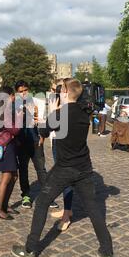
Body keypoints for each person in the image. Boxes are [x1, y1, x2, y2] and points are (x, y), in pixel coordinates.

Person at [12, 78, 115, 257]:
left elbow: (43, 130)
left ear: (66, 93)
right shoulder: (85, 112)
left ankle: (30, 250)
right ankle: (107, 253)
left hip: (65, 168)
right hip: (84, 167)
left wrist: (52, 110)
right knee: (94, 208)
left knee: (42, 202)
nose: (59, 93)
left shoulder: (60, 114)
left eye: (61, 90)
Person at [15, 80, 58, 210]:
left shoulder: (37, 103)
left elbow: (44, 122)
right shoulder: (14, 105)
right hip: (21, 142)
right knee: (23, 169)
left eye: (25, 90)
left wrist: (42, 138)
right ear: (17, 92)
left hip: (36, 141)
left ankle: (47, 197)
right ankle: (26, 196)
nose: (23, 93)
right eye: (20, 91)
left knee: (41, 169)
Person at [0, 86, 22, 221]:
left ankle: (4, 205)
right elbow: (14, 130)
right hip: (6, 146)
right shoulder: (4, 111)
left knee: (14, 176)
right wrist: (20, 117)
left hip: (8, 145)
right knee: (7, 177)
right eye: (12, 95)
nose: (14, 97)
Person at [50, 80, 74, 231]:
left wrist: (55, 112)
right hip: (56, 142)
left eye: (59, 88)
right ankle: (67, 209)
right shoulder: (60, 105)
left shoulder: (69, 109)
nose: (55, 91)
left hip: (65, 146)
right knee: (63, 179)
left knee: (66, 179)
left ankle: (67, 215)